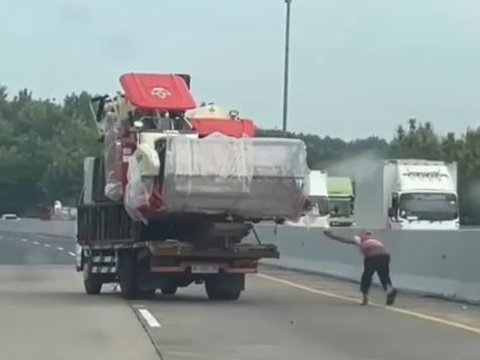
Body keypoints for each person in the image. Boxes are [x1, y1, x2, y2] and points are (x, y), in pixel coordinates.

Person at [323, 229, 398, 306]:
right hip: (384, 256)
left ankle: (365, 298)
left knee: (367, 276)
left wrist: (331, 236)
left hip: (372, 256)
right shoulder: (375, 240)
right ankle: (390, 290)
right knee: (384, 276)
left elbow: (344, 240)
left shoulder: (359, 239)